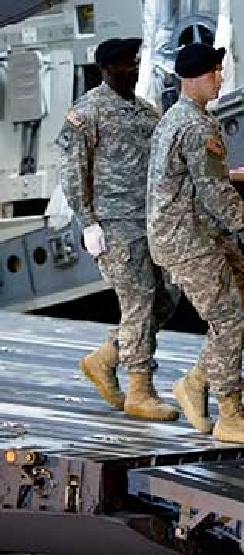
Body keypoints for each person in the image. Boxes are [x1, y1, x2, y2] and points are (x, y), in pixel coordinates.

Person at [147, 42, 244, 444]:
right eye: (213, 72)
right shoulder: (193, 126)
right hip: (186, 238)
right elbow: (214, 191)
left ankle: (194, 383)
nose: (220, 78)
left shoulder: (185, 117)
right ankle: (230, 415)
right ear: (191, 79)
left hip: (203, 232)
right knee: (229, 319)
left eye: (220, 70)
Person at [58, 37, 181, 421]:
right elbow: (72, 171)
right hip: (114, 226)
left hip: (151, 221)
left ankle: (105, 357)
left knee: (166, 297)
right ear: (108, 69)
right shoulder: (88, 112)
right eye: (128, 63)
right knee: (139, 301)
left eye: (136, 61)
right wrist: (88, 222)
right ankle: (140, 390)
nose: (135, 69)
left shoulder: (144, 110)